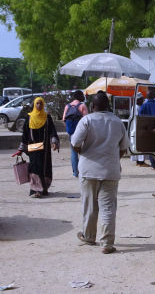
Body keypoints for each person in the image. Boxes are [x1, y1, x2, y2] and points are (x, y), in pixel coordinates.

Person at [71, 91, 129, 254]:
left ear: (92, 106)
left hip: (88, 169)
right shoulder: (117, 122)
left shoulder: (86, 120)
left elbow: (75, 143)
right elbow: (124, 147)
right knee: (108, 207)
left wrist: (84, 153)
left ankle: (89, 236)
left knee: (89, 205)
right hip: (111, 170)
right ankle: (107, 243)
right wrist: (113, 159)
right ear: (108, 105)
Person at [16, 97, 59, 198]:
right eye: (37, 104)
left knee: (45, 168)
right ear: (34, 105)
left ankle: (44, 188)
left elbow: (53, 131)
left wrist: (54, 141)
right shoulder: (29, 118)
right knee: (35, 167)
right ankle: (35, 190)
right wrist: (21, 149)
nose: (39, 106)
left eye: (41, 104)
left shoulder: (47, 117)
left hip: (45, 150)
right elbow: (25, 135)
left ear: (43, 105)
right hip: (33, 148)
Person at [62, 90, 88, 177]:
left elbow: (63, 119)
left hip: (71, 132)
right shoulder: (82, 106)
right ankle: (85, 171)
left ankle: (75, 172)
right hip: (81, 133)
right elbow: (86, 120)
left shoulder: (67, 106)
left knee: (73, 152)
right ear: (80, 97)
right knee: (85, 152)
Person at [139, 88, 155, 169]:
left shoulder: (143, 106)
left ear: (147, 96)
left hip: (147, 131)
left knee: (150, 148)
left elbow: (140, 119)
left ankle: (153, 165)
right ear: (154, 96)